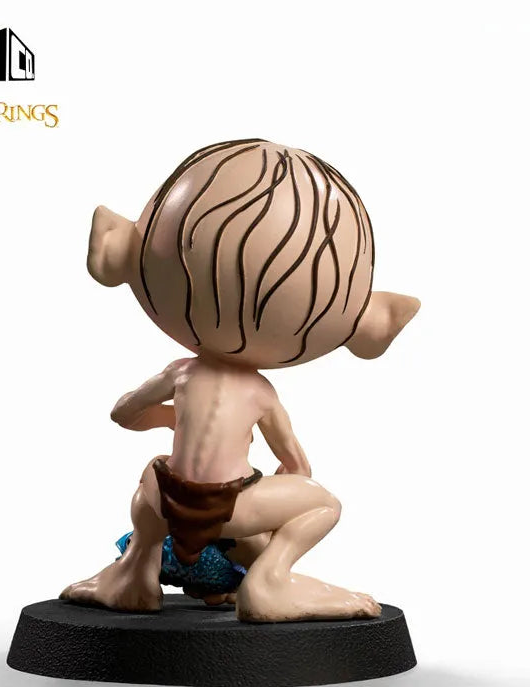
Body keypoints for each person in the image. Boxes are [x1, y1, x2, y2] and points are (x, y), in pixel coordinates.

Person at [61, 140, 419, 622]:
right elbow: (296, 464)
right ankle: (270, 582)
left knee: (154, 470)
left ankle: (136, 572)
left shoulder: (180, 374)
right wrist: (269, 490)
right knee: (322, 504)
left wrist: (174, 421)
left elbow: (124, 413)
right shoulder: (260, 393)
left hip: (166, 499)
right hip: (231, 506)